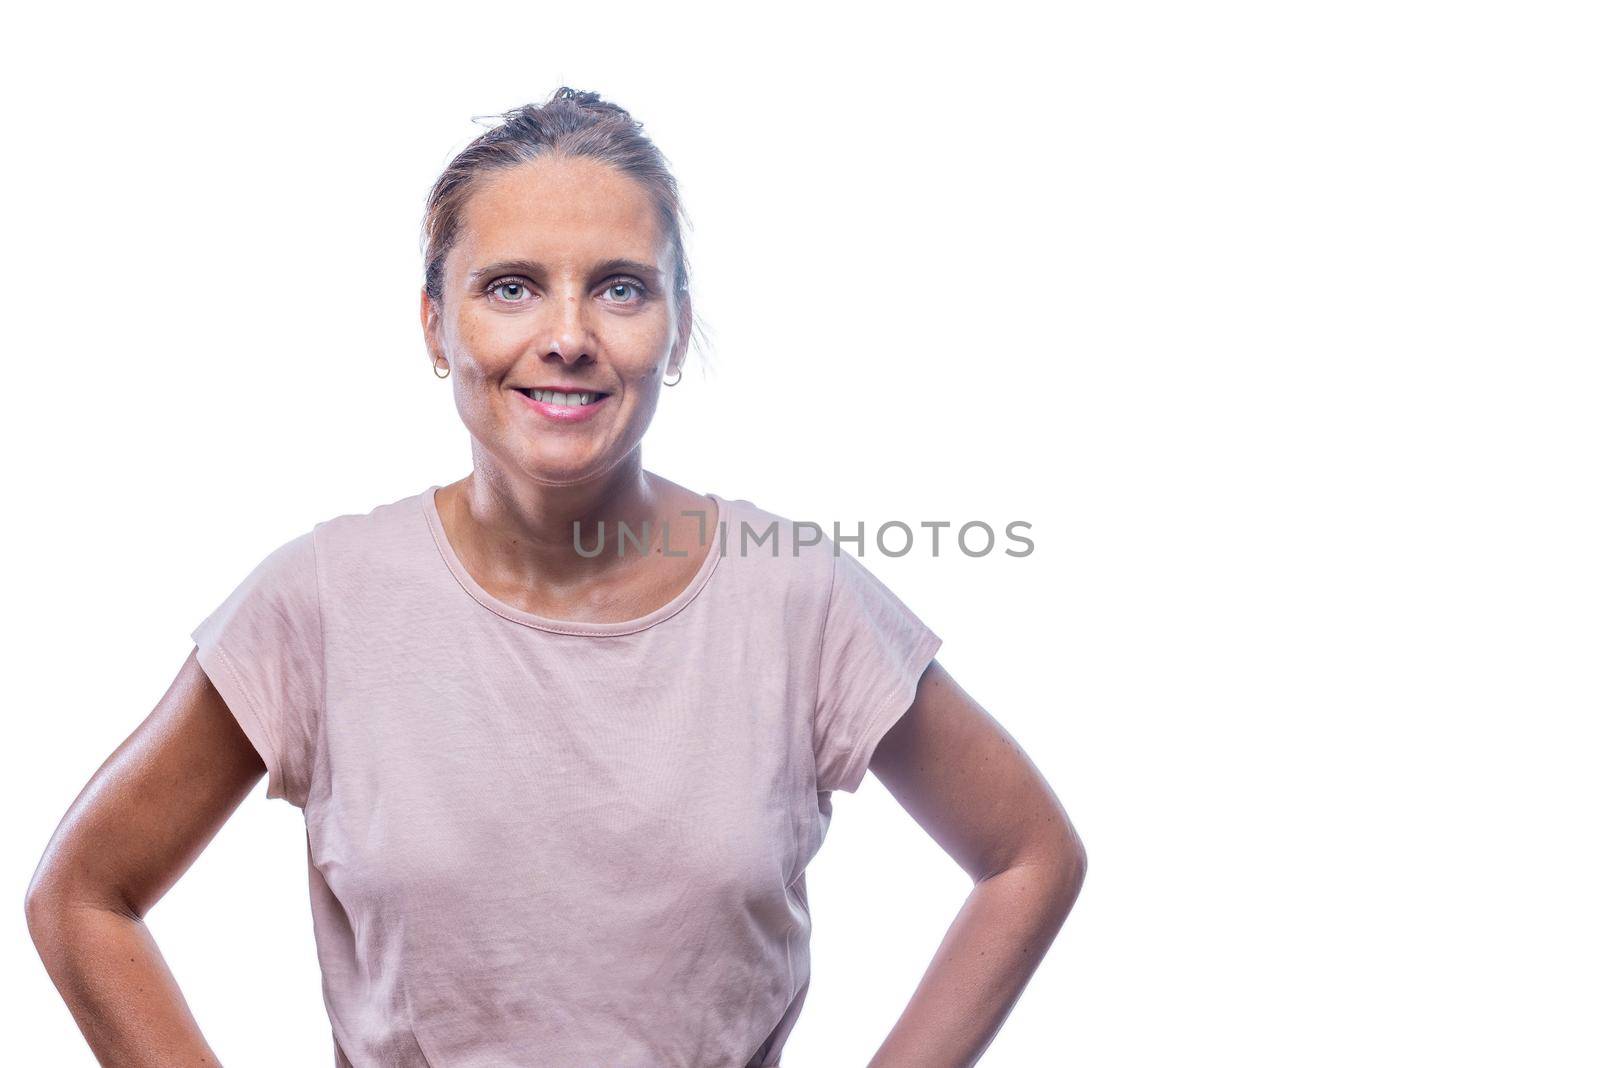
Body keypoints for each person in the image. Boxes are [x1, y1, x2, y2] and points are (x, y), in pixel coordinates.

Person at [24, 87, 1087, 1068]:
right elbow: (82, 896)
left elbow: (1027, 856)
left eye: (619, 289)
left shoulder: (794, 596)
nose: (568, 336)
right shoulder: (319, 603)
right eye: (512, 287)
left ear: (673, 330)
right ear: (438, 325)